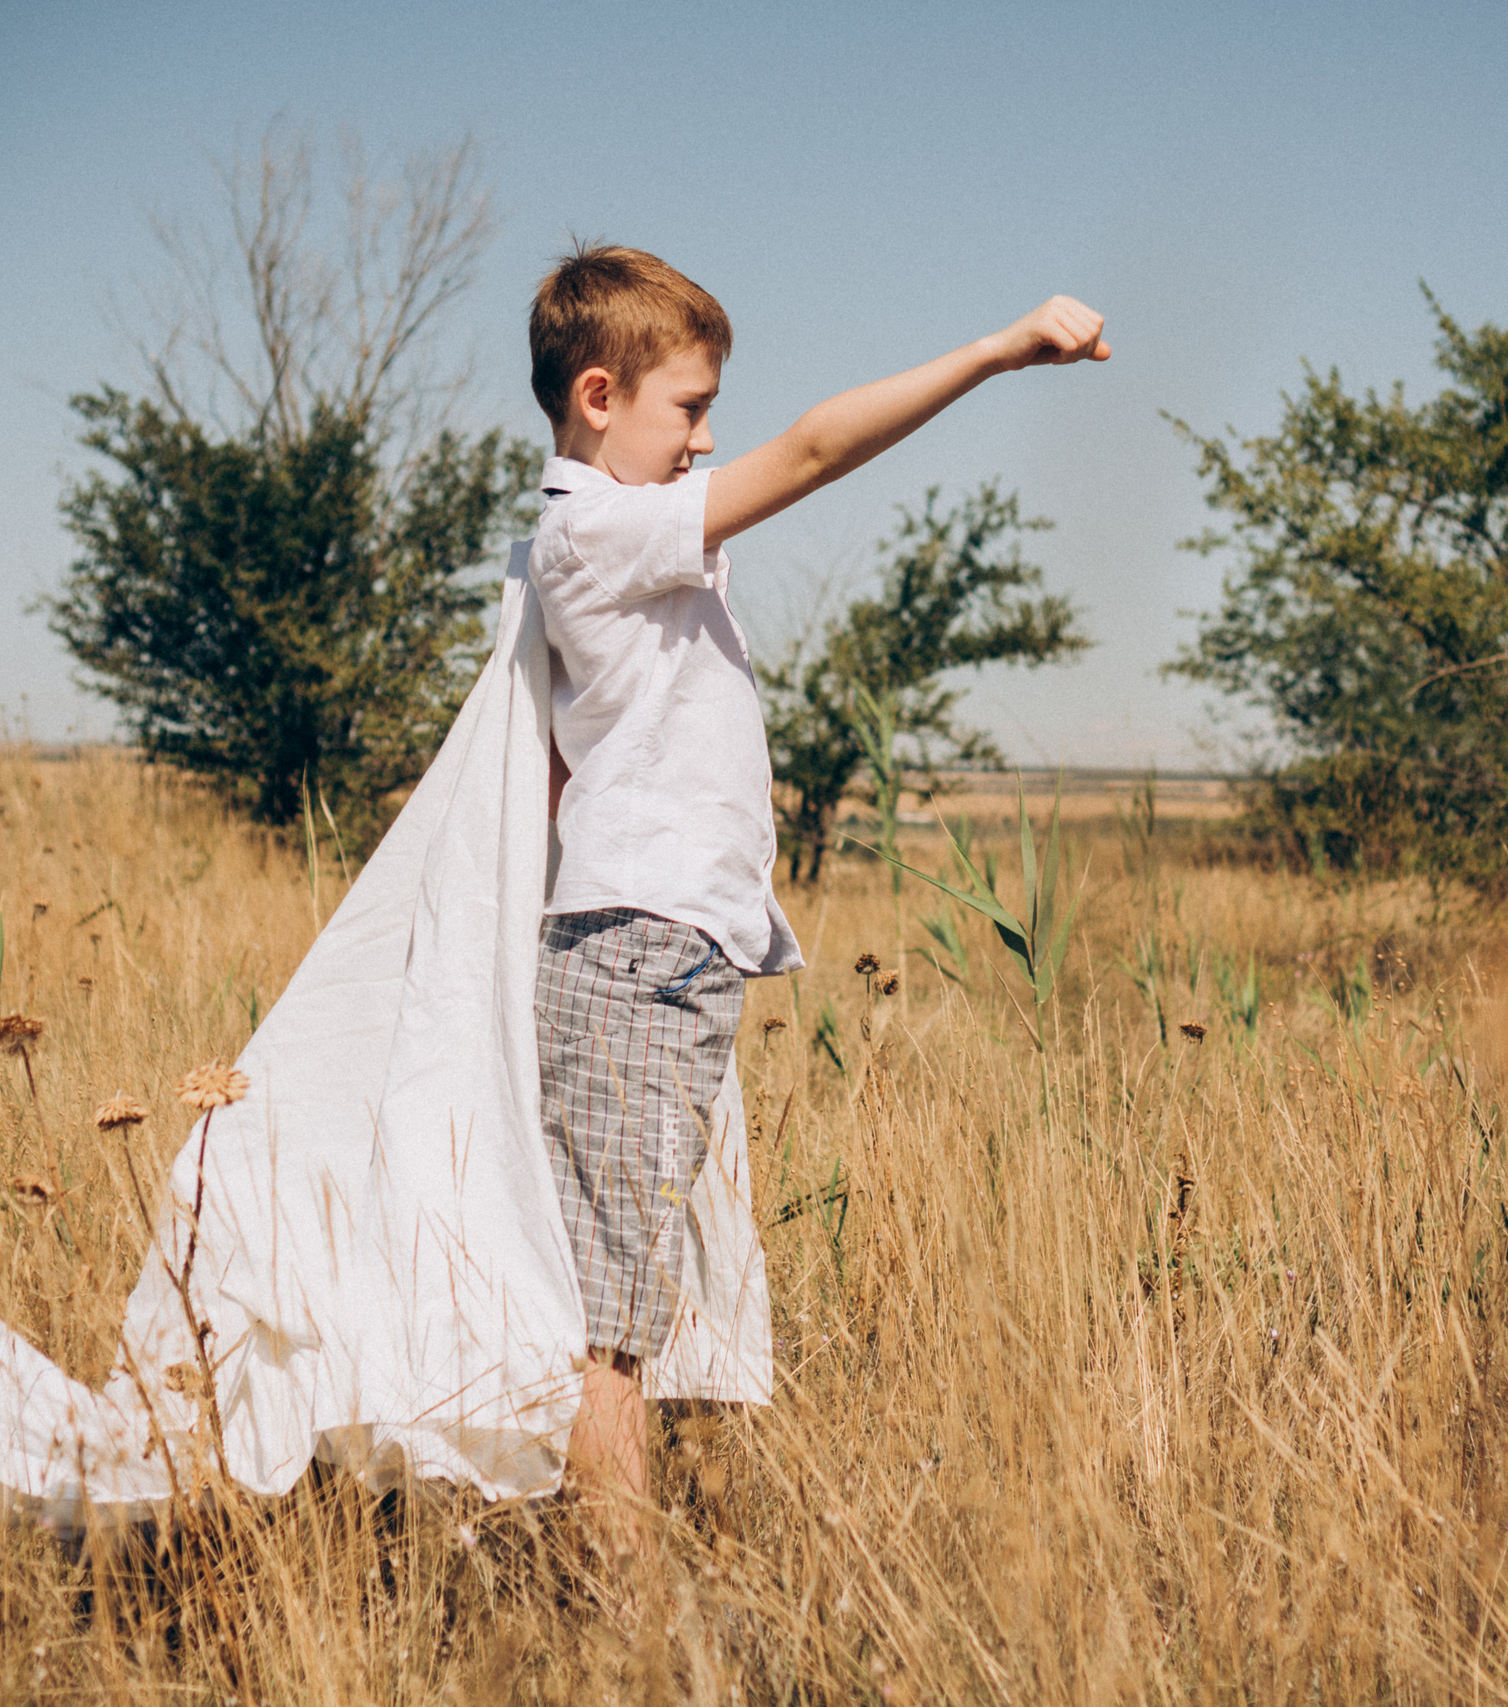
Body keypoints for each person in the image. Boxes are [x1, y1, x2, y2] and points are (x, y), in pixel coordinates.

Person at [521, 246, 1108, 1545]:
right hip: (632, 950)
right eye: (689, 408)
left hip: (663, 951)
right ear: (600, 396)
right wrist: (994, 353)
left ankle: (664, 1562)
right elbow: (816, 449)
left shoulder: (608, 539)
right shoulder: (595, 529)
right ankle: (620, 1625)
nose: (708, 438)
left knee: (656, 1305)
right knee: (605, 1331)